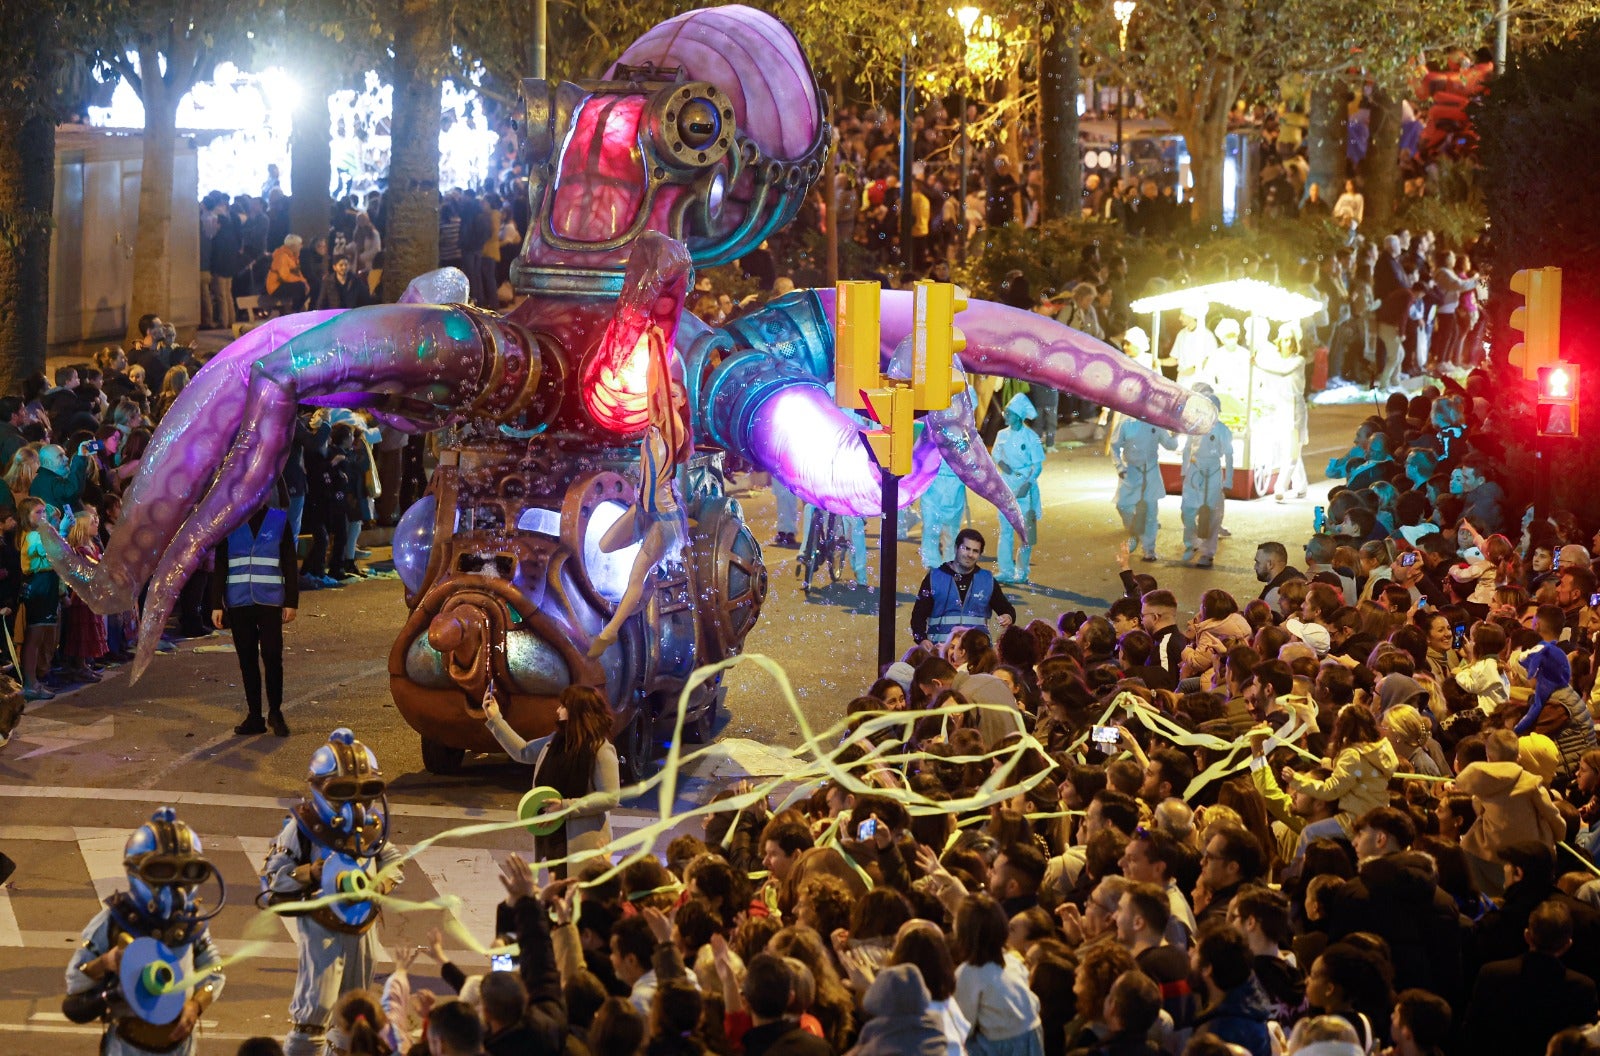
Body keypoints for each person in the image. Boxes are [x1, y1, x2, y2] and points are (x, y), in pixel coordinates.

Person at [262, 729, 404, 1056]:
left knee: (355, 1015)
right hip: (321, 927)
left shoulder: (372, 827)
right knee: (313, 1014)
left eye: (364, 792)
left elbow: (394, 860)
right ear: (319, 789)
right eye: (342, 792)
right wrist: (311, 873)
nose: (355, 803)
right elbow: (273, 877)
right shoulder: (303, 826)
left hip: (364, 926)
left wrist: (380, 882)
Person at [63, 808, 225, 1056]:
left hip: (180, 1047)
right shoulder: (113, 921)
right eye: (161, 871)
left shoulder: (192, 924)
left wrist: (195, 1005)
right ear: (136, 870)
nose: (175, 885)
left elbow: (213, 973)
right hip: (126, 1047)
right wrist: (106, 962)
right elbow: (76, 985)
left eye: (187, 871)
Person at [587, 337, 691, 658]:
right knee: (605, 545)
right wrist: (653, 349)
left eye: (676, 395)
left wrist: (661, 346)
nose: (667, 397)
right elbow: (652, 385)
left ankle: (609, 633)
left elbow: (659, 383)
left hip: (665, 517)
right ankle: (652, 565)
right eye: (667, 394)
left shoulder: (675, 427)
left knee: (636, 575)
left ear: (682, 403)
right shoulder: (653, 424)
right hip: (642, 509)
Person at [483, 683, 621, 877]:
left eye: (563, 706)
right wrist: (495, 719)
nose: (558, 710)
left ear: (577, 711)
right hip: (552, 837)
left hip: (583, 844)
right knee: (557, 898)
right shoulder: (556, 741)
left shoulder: (600, 749)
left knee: (577, 900)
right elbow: (523, 751)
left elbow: (610, 797)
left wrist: (564, 806)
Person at [209, 500, 299, 737]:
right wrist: (216, 603)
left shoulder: (278, 520)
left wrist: (291, 600)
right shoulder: (229, 521)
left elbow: (289, 560)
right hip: (238, 601)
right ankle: (254, 716)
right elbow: (221, 563)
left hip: (270, 600)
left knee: (272, 655)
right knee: (247, 659)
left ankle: (276, 712)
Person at [1461, 901, 1598, 1056]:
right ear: (1567, 944)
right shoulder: (1583, 988)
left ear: (1527, 936)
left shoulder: (1492, 974)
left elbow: (1472, 1032)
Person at [911, 528, 1017, 646]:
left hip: (977, 654)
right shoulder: (934, 577)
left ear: (980, 554)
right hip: (942, 651)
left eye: (975, 551)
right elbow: (918, 616)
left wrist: (1008, 616)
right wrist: (922, 639)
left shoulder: (987, 580)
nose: (970, 555)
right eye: (966, 548)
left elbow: (1007, 610)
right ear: (956, 548)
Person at [993, 393, 1045, 585]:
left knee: (1025, 533)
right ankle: (1005, 570)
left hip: (1025, 486)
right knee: (1005, 529)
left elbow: (1037, 465)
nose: (1005, 415)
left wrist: (1027, 484)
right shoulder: (1002, 434)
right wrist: (1000, 463)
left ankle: (1021, 572)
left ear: (1019, 416)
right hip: (1006, 483)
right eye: (1006, 411)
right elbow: (996, 452)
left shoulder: (1031, 437)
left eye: (1010, 412)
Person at [1255, 323, 1309, 501]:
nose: (1287, 343)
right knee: (1289, 449)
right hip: (1280, 407)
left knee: (1291, 450)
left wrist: (1258, 364)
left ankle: (1281, 486)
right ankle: (1301, 486)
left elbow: (1283, 373)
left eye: (1290, 340)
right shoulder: (1276, 360)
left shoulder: (1298, 360)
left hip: (1295, 409)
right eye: (1284, 340)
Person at [1110, 417, 1176, 562]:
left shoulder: (1156, 423)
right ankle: (1136, 531)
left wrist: (1175, 433)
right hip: (1131, 472)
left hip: (1151, 471)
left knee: (1151, 513)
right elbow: (1114, 446)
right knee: (1122, 505)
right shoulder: (1125, 423)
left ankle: (1149, 550)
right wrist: (1119, 466)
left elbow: (1171, 445)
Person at [1180, 386, 1232, 568]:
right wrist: (1184, 471)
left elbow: (1229, 454)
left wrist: (1229, 479)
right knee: (1187, 511)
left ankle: (1208, 553)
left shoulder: (1223, 430)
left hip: (1214, 473)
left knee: (1212, 515)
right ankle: (1192, 542)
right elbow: (1187, 448)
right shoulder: (1194, 427)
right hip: (1195, 471)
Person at [921, 458, 968, 570]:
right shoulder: (929, 440)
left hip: (955, 487)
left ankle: (950, 565)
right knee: (930, 529)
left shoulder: (964, 441)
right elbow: (920, 456)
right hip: (932, 486)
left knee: (952, 532)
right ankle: (931, 566)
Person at [266, 234, 311, 313]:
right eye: (300, 244)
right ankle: (294, 312)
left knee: (309, 286)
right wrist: (301, 282)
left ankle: (297, 310)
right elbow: (285, 276)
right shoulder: (282, 256)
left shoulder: (292, 257)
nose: (301, 246)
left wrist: (305, 282)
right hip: (276, 287)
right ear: (293, 246)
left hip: (285, 284)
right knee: (300, 287)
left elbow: (298, 273)